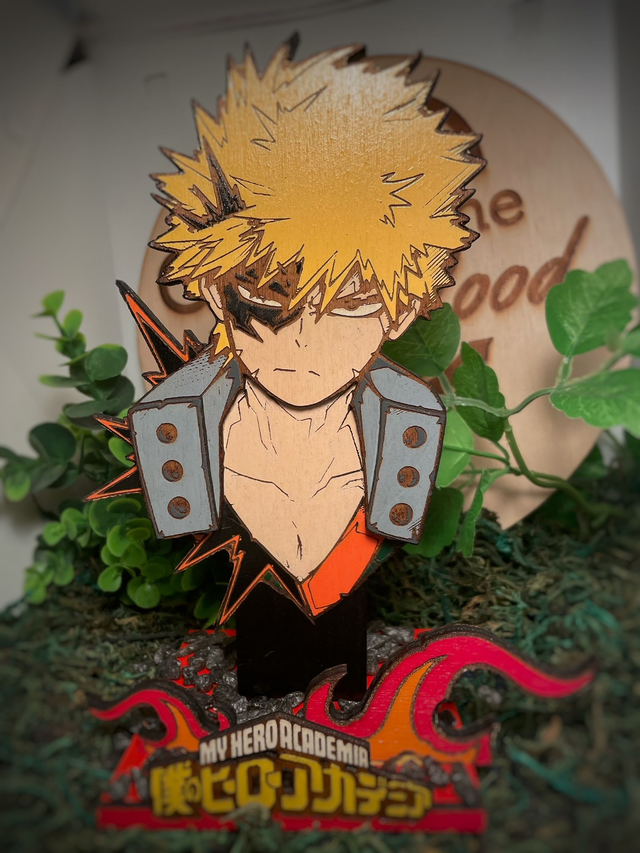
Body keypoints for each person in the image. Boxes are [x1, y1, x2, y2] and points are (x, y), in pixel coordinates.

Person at [97, 38, 483, 697]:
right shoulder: (178, 431)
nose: (304, 343)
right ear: (213, 290)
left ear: (401, 314)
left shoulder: (407, 428)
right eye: (268, 303)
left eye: (350, 307)